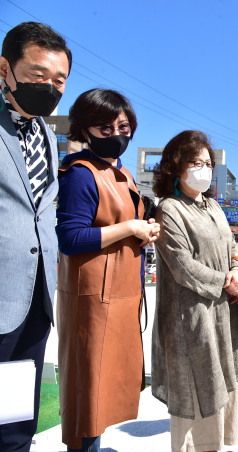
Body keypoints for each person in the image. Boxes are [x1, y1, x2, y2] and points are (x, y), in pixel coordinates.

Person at [55, 89, 159, 451]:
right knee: (88, 393)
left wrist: (143, 231)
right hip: (94, 301)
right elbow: (71, 238)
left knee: (104, 389)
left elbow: (117, 225)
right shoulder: (80, 173)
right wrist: (132, 229)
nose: (117, 134)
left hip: (117, 296)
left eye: (124, 126)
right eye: (105, 127)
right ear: (85, 129)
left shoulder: (122, 173)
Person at [151, 130, 238, 452]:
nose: (204, 169)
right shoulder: (169, 209)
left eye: (208, 163)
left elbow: (233, 244)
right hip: (190, 318)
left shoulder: (213, 207)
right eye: (196, 162)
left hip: (222, 314)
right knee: (194, 388)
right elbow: (181, 265)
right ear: (176, 166)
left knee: (221, 382)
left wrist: (237, 269)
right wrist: (225, 280)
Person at [0, 22, 71, 452]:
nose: (49, 87)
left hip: (35, 299)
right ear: (5, 68)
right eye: (37, 76)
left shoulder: (46, 133)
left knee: (13, 415)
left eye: (58, 80)